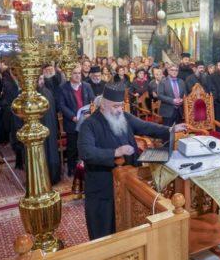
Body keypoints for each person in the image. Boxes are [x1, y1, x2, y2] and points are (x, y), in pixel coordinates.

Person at [78, 86, 187, 240]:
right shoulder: (89, 125)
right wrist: (115, 152)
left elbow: (146, 126)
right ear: (103, 105)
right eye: (115, 106)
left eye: (121, 106)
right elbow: (86, 152)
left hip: (128, 181)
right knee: (104, 231)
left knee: (128, 223)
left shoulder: (124, 116)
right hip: (103, 187)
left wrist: (170, 129)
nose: (119, 110)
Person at [58, 64, 95, 176]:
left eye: (79, 73)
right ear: (70, 74)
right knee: (72, 147)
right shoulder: (63, 88)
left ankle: (86, 167)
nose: (78, 75)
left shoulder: (87, 86)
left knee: (87, 144)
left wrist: (90, 113)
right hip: (72, 122)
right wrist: (73, 117)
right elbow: (61, 105)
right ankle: (72, 169)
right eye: (75, 73)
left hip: (86, 121)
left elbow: (92, 101)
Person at [37, 74, 61, 185]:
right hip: (39, 129)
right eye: (38, 79)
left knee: (50, 150)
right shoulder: (32, 94)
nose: (40, 81)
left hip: (49, 127)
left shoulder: (47, 92)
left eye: (41, 79)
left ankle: (52, 176)